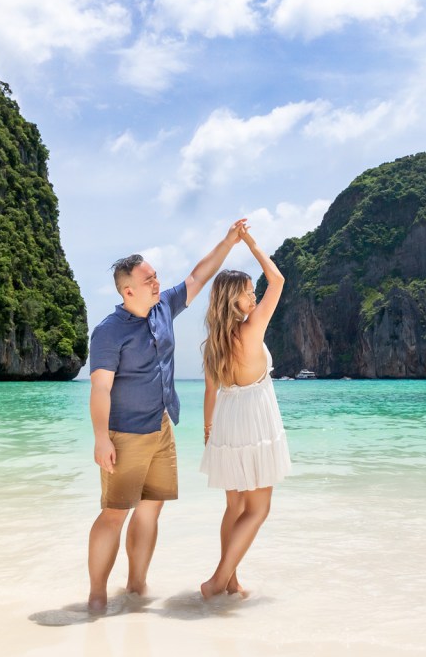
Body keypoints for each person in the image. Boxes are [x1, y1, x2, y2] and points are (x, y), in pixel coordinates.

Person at [85, 221, 247, 613]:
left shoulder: (163, 309)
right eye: (149, 279)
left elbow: (198, 275)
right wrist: (101, 438)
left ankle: (136, 586)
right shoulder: (108, 333)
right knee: (113, 514)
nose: (157, 283)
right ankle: (96, 596)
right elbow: (101, 388)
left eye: (156, 277)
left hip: (161, 427)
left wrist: (229, 241)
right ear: (128, 290)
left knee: (151, 507)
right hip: (124, 434)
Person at [198, 224, 289, 599]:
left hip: (226, 423)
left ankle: (231, 583)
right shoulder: (251, 330)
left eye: (254, 293)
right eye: (249, 293)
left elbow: (210, 392)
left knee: (234, 506)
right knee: (259, 508)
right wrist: (249, 242)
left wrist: (208, 434)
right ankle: (218, 580)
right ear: (234, 300)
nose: (255, 298)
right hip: (254, 418)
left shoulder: (213, 344)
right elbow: (278, 279)